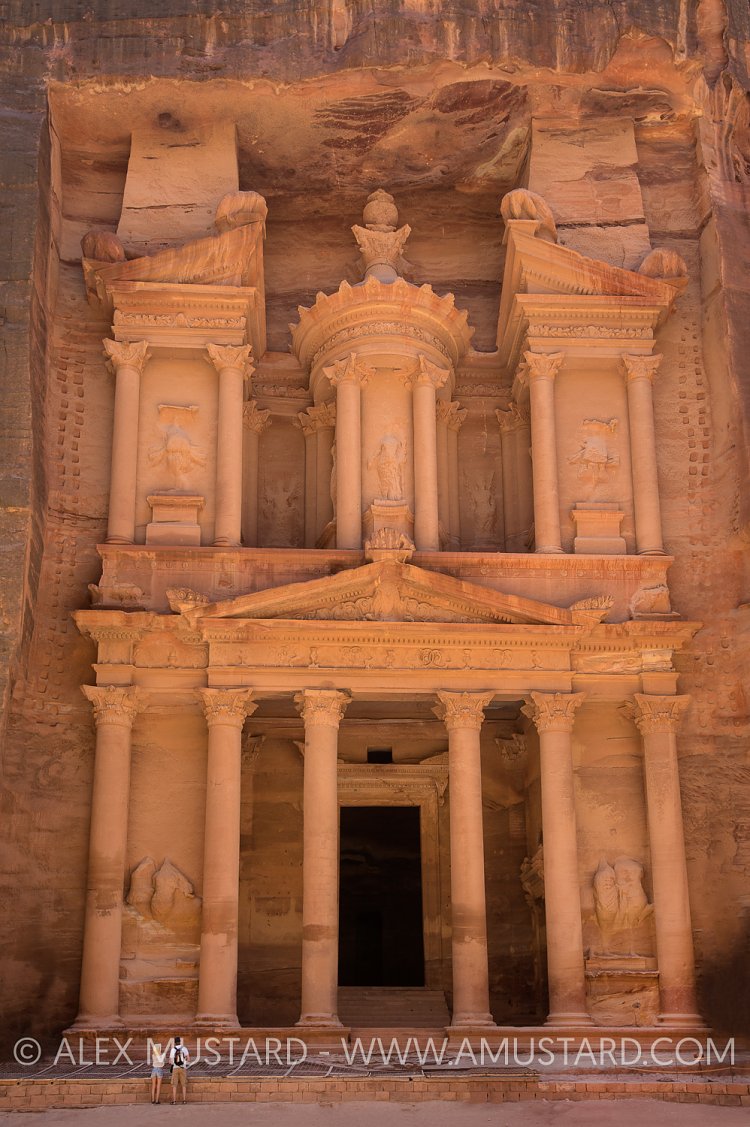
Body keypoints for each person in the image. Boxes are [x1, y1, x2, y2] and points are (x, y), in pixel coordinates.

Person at [169, 1036, 190, 1104]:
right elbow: (188, 1059)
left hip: (175, 1068)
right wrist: (184, 1061)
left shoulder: (173, 1050)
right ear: (180, 1042)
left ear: (175, 1042)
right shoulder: (184, 1048)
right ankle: (184, 1101)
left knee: (174, 1085)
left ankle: (174, 1101)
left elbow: (170, 1061)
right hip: (183, 1068)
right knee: (184, 1085)